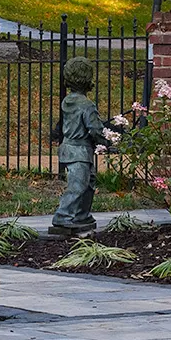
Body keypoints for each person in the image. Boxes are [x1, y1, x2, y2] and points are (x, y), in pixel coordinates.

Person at [50, 57, 112, 237]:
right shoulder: (87, 105)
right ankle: (63, 215)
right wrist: (106, 139)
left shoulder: (68, 101)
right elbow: (94, 129)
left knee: (88, 184)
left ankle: (81, 215)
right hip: (80, 150)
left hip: (70, 148)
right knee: (78, 185)